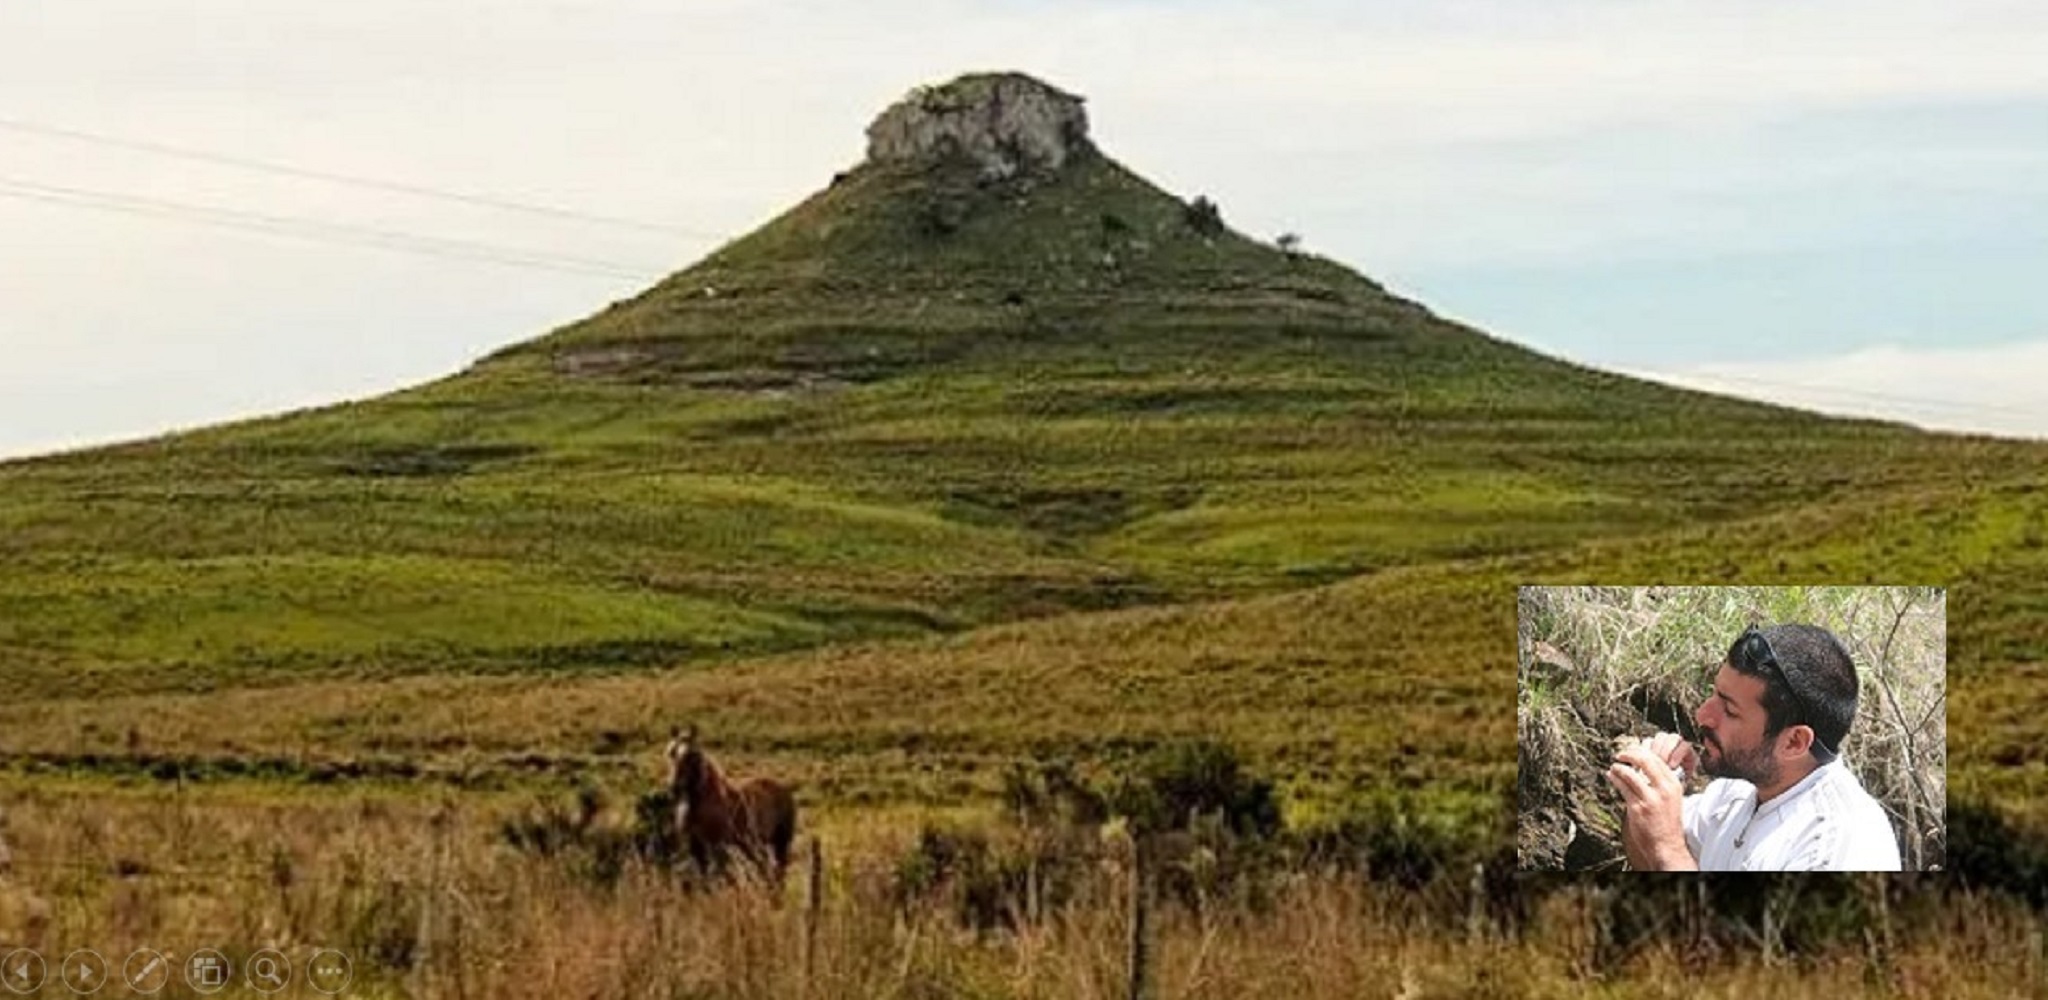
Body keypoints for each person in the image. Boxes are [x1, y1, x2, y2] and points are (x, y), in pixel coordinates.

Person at [1606, 623, 1902, 871]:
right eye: (1715, 694)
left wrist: (1668, 850)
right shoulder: (1739, 789)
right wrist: (1647, 798)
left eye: (1730, 710)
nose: (1702, 715)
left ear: (1794, 742)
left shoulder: (1836, 847)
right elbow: (1647, 858)